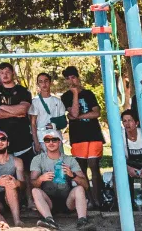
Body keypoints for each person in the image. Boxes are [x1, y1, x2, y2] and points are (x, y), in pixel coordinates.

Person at [29, 128, 92, 230]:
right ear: (44, 143)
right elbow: (33, 183)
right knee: (35, 191)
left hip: (68, 200)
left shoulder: (69, 160)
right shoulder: (38, 159)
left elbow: (85, 185)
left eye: (54, 140)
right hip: (48, 202)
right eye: (47, 140)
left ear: (59, 142)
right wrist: (41, 179)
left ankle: (82, 221)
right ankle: (49, 220)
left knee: (79, 189)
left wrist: (73, 175)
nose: (51, 143)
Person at [61, 66, 105, 208]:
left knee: (94, 166)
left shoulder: (89, 94)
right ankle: (89, 200)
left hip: (93, 134)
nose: (71, 81)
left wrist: (78, 117)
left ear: (78, 78)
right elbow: (72, 113)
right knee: (82, 169)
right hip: (78, 136)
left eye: (73, 77)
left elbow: (96, 113)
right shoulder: (66, 97)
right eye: (68, 79)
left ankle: (98, 199)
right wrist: (74, 94)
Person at [0, 62, 35, 164]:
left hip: (22, 140)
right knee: (5, 175)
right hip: (2, 142)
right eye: (2, 73)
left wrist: (1, 106)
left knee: (26, 174)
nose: (5, 75)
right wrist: (16, 113)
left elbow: (23, 109)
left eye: (7, 72)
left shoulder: (23, 91)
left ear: (13, 73)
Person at [0, 129, 25, 227]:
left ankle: (17, 220)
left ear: (8, 143)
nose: (0, 142)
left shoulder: (17, 161)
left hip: (13, 197)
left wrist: (16, 183)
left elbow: (23, 185)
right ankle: (3, 224)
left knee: (9, 183)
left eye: (3, 139)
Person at [31, 72, 68, 154]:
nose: (44, 84)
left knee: (59, 165)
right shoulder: (35, 102)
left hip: (57, 138)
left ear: (50, 82)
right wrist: (36, 142)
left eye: (46, 81)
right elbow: (33, 124)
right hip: (42, 139)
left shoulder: (58, 101)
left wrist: (54, 125)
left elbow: (64, 122)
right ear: (38, 84)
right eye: (40, 82)